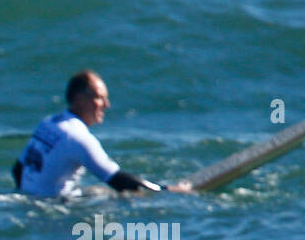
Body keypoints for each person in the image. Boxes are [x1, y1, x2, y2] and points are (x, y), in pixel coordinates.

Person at [12, 70, 181, 197]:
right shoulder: (77, 137)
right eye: (100, 98)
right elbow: (118, 181)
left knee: (98, 192)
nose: (106, 105)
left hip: (32, 200)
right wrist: (165, 190)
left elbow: (18, 170)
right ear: (79, 100)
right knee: (119, 199)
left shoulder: (49, 123)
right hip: (52, 211)